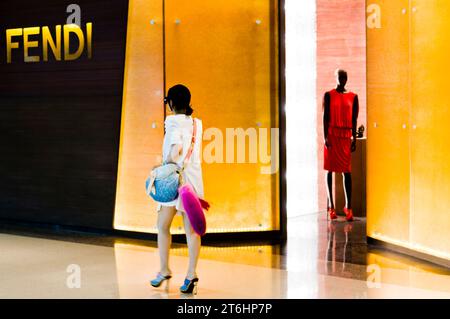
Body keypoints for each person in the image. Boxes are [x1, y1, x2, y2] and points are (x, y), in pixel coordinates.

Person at [150, 84, 204, 294]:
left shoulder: (172, 122)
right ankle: (191, 274)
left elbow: (174, 151)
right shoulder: (197, 123)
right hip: (193, 182)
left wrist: (163, 164)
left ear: (171, 103)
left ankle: (164, 269)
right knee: (192, 231)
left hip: (174, 183)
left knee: (163, 226)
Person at [323, 69, 359, 221]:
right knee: (330, 170)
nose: (343, 79)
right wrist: (325, 137)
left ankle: (348, 207)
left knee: (347, 172)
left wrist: (354, 138)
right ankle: (331, 206)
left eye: (345, 76)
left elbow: (354, 119)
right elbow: (325, 117)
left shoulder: (353, 97)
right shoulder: (329, 95)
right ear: (336, 77)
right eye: (340, 76)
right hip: (332, 135)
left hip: (345, 136)